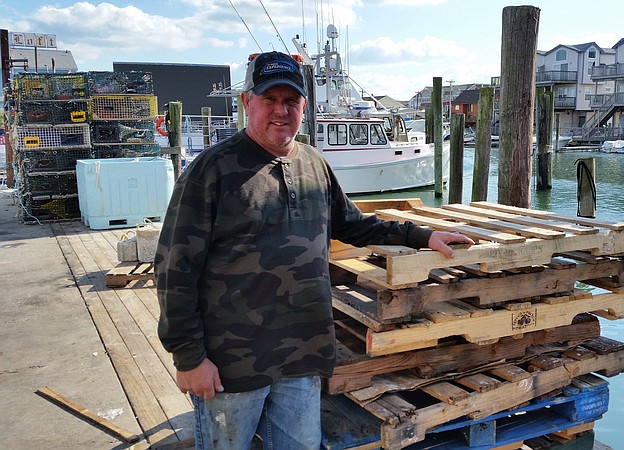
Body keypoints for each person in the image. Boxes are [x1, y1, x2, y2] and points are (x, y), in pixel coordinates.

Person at [155, 51, 474, 450]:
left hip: (302, 357)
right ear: (246, 102)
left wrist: (421, 236)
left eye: (291, 101)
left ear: (304, 106)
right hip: (230, 364)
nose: (280, 110)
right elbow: (173, 269)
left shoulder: (314, 163)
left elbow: (354, 224)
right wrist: (189, 357)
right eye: (270, 99)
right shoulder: (210, 171)